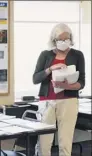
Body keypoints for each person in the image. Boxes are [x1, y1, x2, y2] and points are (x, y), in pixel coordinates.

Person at [33, 23, 85, 156]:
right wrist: (50, 69)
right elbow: (35, 79)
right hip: (47, 102)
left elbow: (82, 82)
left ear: (70, 38)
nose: (64, 41)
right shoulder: (45, 55)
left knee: (65, 142)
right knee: (44, 142)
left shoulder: (77, 55)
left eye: (66, 38)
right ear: (54, 40)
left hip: (69, 101)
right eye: (60, 39)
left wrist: (66, 86)